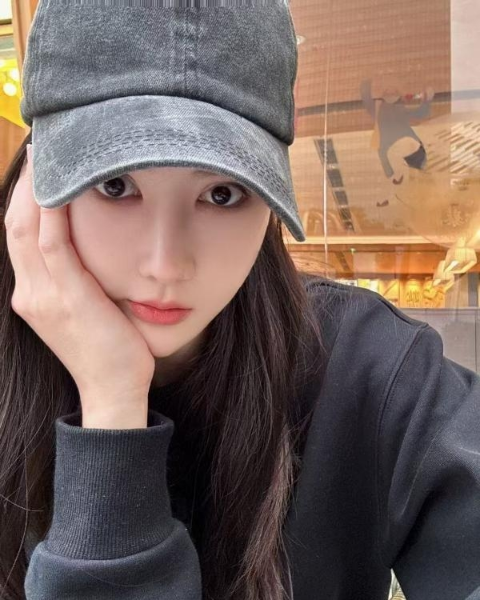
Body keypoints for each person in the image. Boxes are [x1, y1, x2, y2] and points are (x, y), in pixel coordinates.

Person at [1, 3, 480, 600]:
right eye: (115, 184)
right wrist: (111, 401)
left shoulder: (367, 368)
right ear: (35, 189)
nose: (165, 265)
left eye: (223, 193)